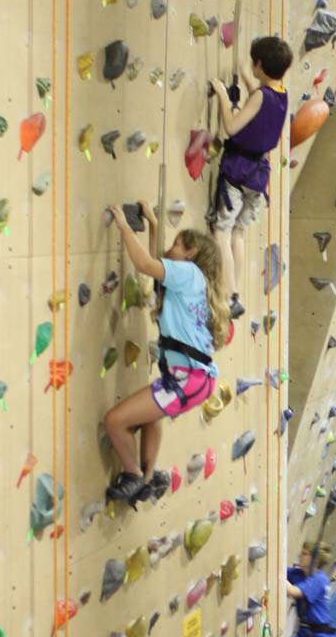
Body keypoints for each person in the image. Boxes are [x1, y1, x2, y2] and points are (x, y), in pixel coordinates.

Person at [103, 202, 229, 507]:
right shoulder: (191, 282)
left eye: (177, 244)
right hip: (194, 379)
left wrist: (123, 226)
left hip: (187, 380)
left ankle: (133, 475)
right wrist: (155, 226)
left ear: (191, 255)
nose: (170, 248)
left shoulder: (188, 274)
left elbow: (147, 265)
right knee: (151, 417)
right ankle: (146, 481)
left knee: (115, 422)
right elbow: (158, 265)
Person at [208, 36, 292, 320]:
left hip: (237, 170)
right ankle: (236, 293)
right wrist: (247, 78)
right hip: (258, 177)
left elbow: (231, 127)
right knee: (238, 233)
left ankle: (230, 296)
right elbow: (262, 98)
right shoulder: (281, 94)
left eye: (254, 64)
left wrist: (221, 93)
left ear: (260, 64)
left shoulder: (260, 96)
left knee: (221, 230)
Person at [287, 541, 336, 635]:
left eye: (304, 554)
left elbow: (292, 591)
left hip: (319, 633)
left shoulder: (319, 580)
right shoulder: (298, 574)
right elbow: (279, 569)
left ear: (316, 560)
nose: (299, 556)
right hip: (304, 631)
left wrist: (279, 575)